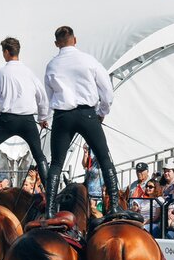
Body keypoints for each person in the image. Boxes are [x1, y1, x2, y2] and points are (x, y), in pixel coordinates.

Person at [43, 26, 137, 220]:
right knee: (104, 158)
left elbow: (49, 95)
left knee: (57, 163)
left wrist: (46, 116)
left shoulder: (52, 65)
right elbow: (107, 91)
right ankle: (114, 206)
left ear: (56, 44)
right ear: (74, 40)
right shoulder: (88, 60)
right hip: (87, 114)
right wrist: (102, 112)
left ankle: (50, 209)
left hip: (62, 115)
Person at [0, 37, 49, 197]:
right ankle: (50, 193)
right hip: (28, 120)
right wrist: (43, 117)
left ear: (6, 52)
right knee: (39, 156)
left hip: (7, 120)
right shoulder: (29, 72)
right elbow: (42, 96)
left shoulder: (1, 73)